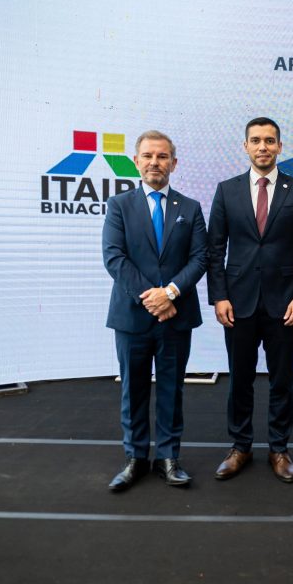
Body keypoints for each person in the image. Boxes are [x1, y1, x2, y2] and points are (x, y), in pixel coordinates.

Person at [207, 117, 293, 483]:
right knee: (239, 380)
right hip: (237, 303)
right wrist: (219, 296)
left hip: (284, 304)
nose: (263, 147)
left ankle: (279, 449)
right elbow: (215, 249)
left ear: (279, 146)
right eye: (255, 140)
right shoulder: (227, 190)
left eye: (269, 141)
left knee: (281, 381)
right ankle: (239, 447)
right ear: (245, 146)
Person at [102, 130, 207, 492]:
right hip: (132, 316)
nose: (154, 163)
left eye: (162, 156)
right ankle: (135, 458)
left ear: (173, 163)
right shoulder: (119, 205)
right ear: (136, 161)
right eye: (147, 156)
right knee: (133, 391)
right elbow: (114, 257)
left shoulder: (190, 208)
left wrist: (171, 293)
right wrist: (152, 297)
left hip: (176, 316)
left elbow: (200, 258)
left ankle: (168, 458)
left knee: (171, 390)